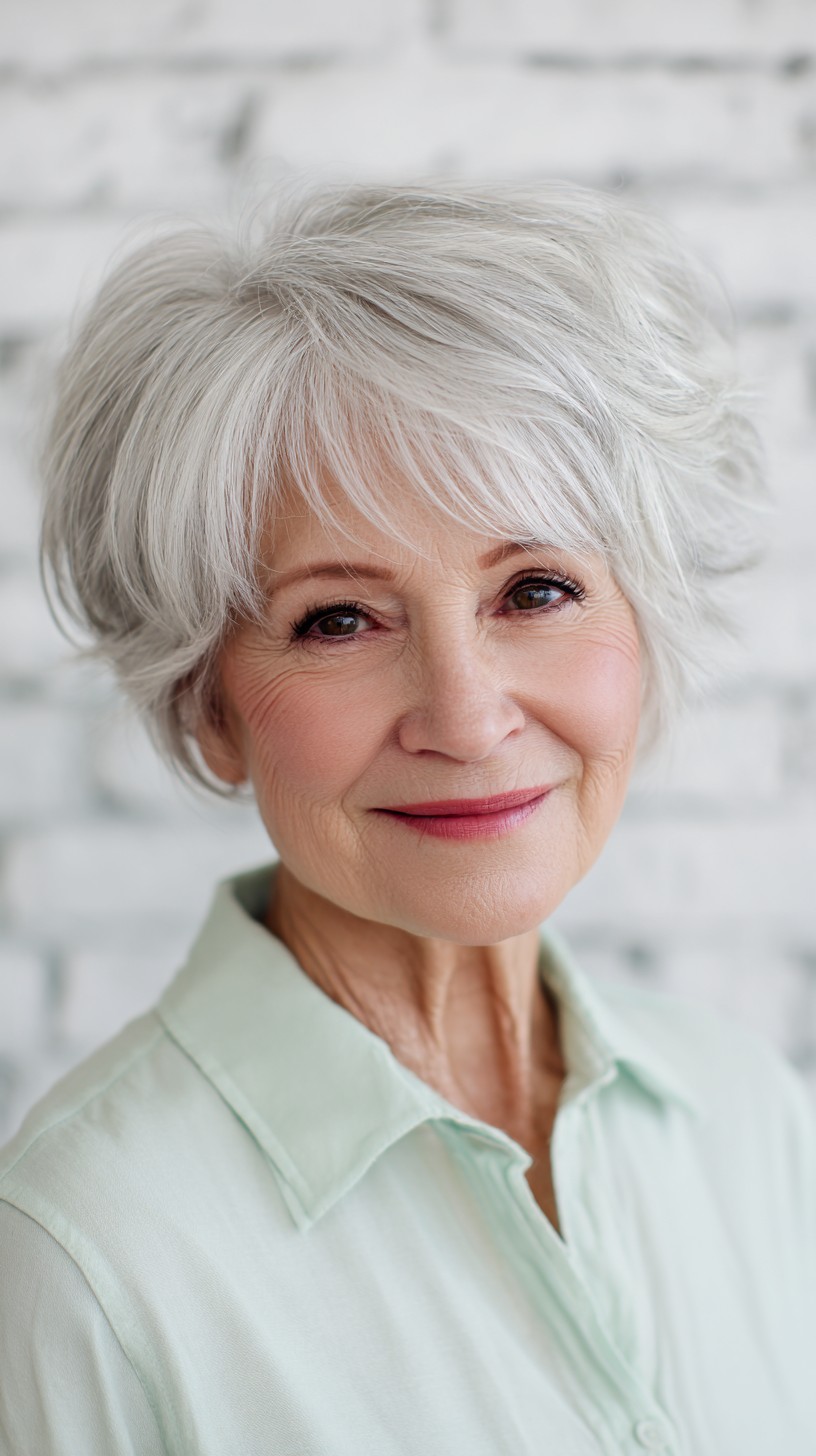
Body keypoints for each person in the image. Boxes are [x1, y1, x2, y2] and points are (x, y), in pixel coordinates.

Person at [0, 180, 813, 1455]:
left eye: (535, 588)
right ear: (206, 703)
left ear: (643, 628)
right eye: (339, 619)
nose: (466, 712)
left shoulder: (752, 1118)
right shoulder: (87, 1250)